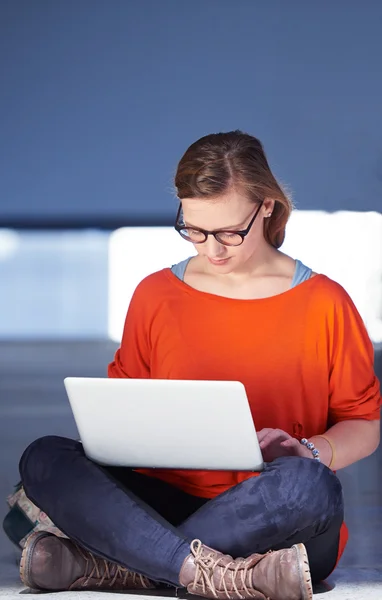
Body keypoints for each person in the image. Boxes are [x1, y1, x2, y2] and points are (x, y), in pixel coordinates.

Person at [18, 131, 380, 600]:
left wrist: (309, 452)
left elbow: (364, 425)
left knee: (310, 487)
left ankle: (126, 563)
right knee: (45, 459)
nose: (212, 249)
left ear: (266, 207)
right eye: (194, 229)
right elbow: (121, 412)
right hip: (164, 500)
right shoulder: (155, 295)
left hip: (272, 509)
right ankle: (208, 573)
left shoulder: (325, 302)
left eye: (230, 232)